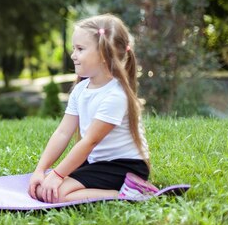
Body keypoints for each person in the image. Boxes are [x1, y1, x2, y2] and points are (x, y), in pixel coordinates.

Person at [28, 14, 159, 203]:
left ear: (104, 55)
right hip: (98, 162)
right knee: (43, 188)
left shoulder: (115, 95)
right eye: (73, 48)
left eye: (80, 49)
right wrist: (40, 170)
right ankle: (124, 192)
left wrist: (57, 175)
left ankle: (130, 194)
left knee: (57, 195)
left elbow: (90, 141)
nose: (73, 55)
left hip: (125, 166)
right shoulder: (81, 90)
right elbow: (63, 133)